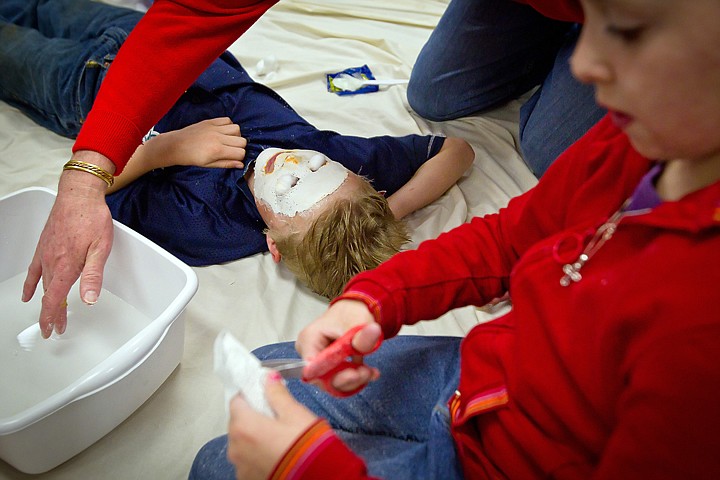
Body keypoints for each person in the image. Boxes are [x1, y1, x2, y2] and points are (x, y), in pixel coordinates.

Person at [190, 0, 720, 478]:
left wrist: (313, 466)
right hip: (491, 379)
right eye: (589, 19)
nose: (581, 64)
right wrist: (375, 299)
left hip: (506, 460)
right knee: (270, 372)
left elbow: (452, 152)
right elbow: (513, 234)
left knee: (218, 465)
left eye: (627, 30)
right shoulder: (633, 139)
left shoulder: (695, 335)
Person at [0, 0, 474, 310]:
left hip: (86, 90)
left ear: (273, 242)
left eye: (290, 190)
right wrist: (390, 211)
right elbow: (457, 151)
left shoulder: (209, 225)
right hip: (155, 42)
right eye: (317, 167)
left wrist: (166, 150)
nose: (293, 163)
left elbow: (95, 196)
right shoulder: (342, 169)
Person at [407, 0, 607, 177]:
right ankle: (556, 34)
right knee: (434, 96)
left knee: (549, 153)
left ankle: (577, 37)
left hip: (612, 12)